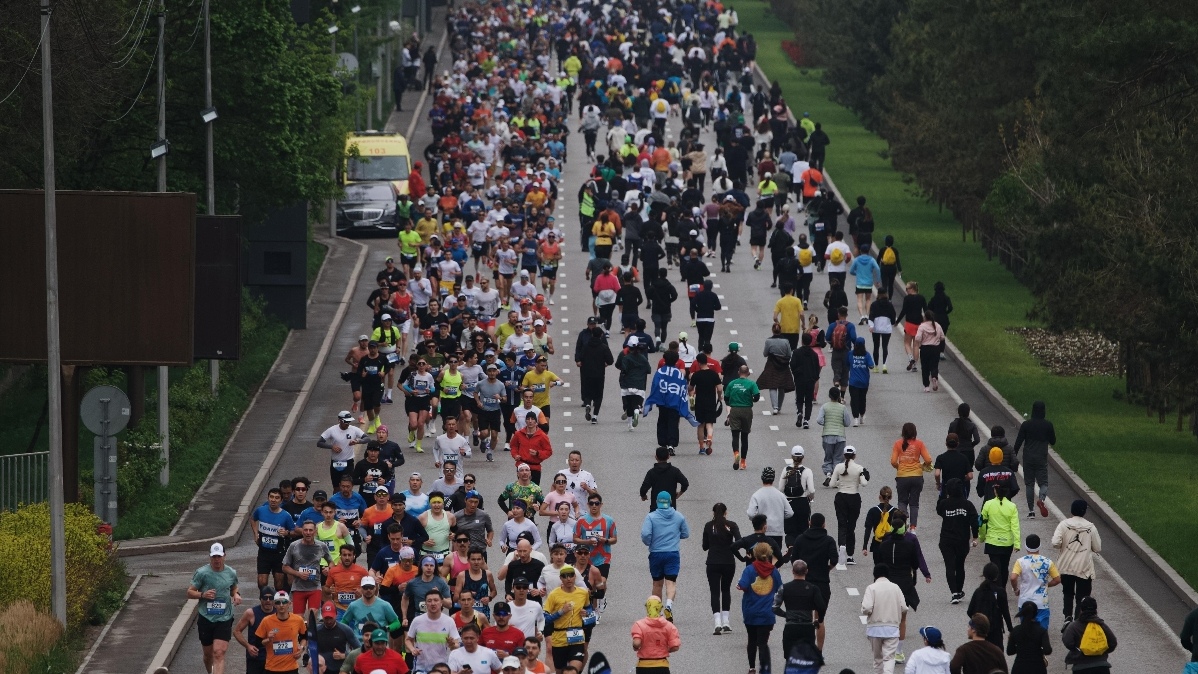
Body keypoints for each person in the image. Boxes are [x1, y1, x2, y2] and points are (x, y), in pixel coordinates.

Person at [189, 543, 242, 674]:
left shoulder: (231, 572)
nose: (217, 560)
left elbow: (234, 587)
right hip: (206, 617)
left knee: (219, 653)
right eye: (214, 557)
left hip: (224, 617)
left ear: (225, 556)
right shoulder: (202, 573)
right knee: (208, 655)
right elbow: (190, 592)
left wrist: (236, 594)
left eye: (219, 556)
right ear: (210, 557)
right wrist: (202, 594)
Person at [788, 513, 838, 651]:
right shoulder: (828, 540)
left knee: (805, 619)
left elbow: (794, 560)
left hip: (804, 584)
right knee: (820, 619)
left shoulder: (800, 539)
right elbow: (834, 559)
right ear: (824, 524)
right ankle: (819, 651)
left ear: (809, 523)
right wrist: (827, 568)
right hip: (822, 583)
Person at [640, 491, 691, 620]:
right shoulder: (679, 516)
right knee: (671, 582)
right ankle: (669, 605)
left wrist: (650, 542)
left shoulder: (651, 517)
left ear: (657, 502)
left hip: (656, 553)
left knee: (657, 584)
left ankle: (656, 611)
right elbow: (686, 533)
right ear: (670, 502)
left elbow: (646, 535)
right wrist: (673, 536)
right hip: (672, 553)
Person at [1051, 499, 1101, 628]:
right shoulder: (1091, 527)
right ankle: (1078, 619)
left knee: (1067, 593)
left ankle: (1067, 617)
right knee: (1082, 596)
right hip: (1084, 568)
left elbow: (1055, 543)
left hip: (1066, 566)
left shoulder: (1063, 525)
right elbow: (1097, 548)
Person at [737, 542, 782, 674]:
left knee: (751, 639)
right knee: (763, 642)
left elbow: (742, 586)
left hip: (750, 610)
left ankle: (752, 668)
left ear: (754, 555)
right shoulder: (773, 571)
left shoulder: (749, 570)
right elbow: (780, 588)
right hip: (767, 612)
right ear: (769, 555)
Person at [935, 479, 979, 605]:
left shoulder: (944, 504)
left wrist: (942, 494)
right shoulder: (968, 505)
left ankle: (954, 593)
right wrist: (975, 536)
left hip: (946, 540)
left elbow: (938, 509)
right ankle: (959, 591)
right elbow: (974, 521)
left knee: (949, 565)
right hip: (962, 540)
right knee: (960, 565)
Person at [861, 562, 910, 674]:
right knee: (889, 658)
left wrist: (865, 611)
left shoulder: (871, 588)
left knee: (877, 659)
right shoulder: (895, 588)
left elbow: (867, 607)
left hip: (874, 629)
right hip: (892, 628)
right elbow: (904, 607)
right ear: (888, 575)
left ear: (875, 575)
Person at [543, 565, 592, 674]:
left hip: (577, 636)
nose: (568, 579)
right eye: (565, 576)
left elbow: (589, 608)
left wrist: (586, 612)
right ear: (561, 578)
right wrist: (561, 612)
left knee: (574, 671)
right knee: (560, 671)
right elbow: (545, 619)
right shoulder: (554, 595)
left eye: (570, 576)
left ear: (575, 577)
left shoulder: (583, 593)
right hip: (559, 639)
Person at [703, 503, 742, 635]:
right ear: (726, 512)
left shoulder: (709, 526)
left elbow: (704, 546)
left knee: (714, 592)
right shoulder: (732, 525)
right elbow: (739, 541)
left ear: (713, 512)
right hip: (728, 562)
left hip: (713, 562)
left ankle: (717, 623)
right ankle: (726, 622)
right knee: (725, 590)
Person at [774, 560, 826, 657]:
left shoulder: (784, 588)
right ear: (806, 571)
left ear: (792, 571)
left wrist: (786, 615)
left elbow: (774, 607)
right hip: (807, 627)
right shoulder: (813, 589)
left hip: (790, 626)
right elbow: (821, 607)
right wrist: (819, 620)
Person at [1013, 401, 1056, 519]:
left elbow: (1018, 442)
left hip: (1028, 457)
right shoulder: (1048, 425)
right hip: (1041, 457)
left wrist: (1013, 455)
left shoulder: (1026, 425)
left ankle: (1031, 511)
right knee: (1043, 483)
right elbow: (1053, 441)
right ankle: (1041, 499)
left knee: (1029, 483)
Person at [282, 521, 333, 618]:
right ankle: (302, 633)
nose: (308, 532)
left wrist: (328, 568)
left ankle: (310, 632)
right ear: (302, 532)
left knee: (312, 616)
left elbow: (331, 562)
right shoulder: (294, 546)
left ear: (315, 532)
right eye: (305, 530)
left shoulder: (321, 546)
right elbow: (284, 567)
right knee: (298, 619)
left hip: (315, 587)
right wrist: (298, 574)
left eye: (310, 530)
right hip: (298, 587)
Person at [1009, 534, 1061, 630]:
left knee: (1026, 631)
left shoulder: (1020, 562)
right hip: (1042, 602)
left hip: (1025, 601)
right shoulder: (1047, 562)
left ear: (1025, 546)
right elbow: (1057, 579)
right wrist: (1046, 584)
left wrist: (1016, 589)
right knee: (1042, 632)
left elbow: (1013, 578)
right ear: (1039, 545)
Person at [830, 446, 868, 565]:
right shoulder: (858, 468)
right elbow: (864, 483)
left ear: (844, 455)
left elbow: (831, 484)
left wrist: (840, 482)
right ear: (854, 455)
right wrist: (863, 474)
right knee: (851, 527)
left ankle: (842, 546)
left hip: (841, 497)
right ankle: (850, 556)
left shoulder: (838, 467)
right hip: (854, 497)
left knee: (842, 525)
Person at [405, 588, 460, 671]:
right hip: (421, 667)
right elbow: (408, 639)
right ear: (425, 603)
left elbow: (456, 645)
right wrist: (412, 649)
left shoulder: (449, 621)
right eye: (429, 601)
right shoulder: (417, 620)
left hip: (441, 668)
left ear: (441, 603)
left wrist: (452, 644)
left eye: (436, 600)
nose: (433, 603)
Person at [890, 422, 932, 529]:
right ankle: (913, 528)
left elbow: (893, 461)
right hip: (916, 477)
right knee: (914, 503)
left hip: (902, 476)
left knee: (902, 501)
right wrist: (922, 466)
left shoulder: (897, 444)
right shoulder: (919, 444)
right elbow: (928, 460)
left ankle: (902, 524)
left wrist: (899, 468)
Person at [254, 591, 308, 674]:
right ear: (274, 605)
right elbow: (258, 642)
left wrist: (301, 648)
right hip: (272, 668)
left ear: (289, 603)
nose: (281, 605)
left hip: (291, 668)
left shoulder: (298, 620)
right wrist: (268, 639)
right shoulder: (266, 621)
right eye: (278, 602)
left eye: (284, 602)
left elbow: (304, 637)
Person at [252, 488, 295, 591]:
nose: (273, 500)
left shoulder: (286, 516)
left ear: (281, 500)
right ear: (268, 498)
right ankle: (264, 602)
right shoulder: (261, 510)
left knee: (279, 584)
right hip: (263, 552)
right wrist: (256, 533)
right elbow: (253, 519)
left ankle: (277, 605)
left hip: (279, 554)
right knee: (262, 582)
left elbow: (293, 532)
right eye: (271, 497)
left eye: (277, 498)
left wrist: (287, 533)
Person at [1061, 597, 1116, 673]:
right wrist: (1101, 651)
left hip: (1081, 668)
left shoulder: (1073, 626)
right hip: (1102, 667)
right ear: (1095, 610)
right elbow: (1113, 643)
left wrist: (1078, 651)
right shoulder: (1101, 625)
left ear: (1081, 610)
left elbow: (1068, 642)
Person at [966, 563, 1013, 651]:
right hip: (995, 630)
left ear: (984, 574)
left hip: (980, 630)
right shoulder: (1000, 591)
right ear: (997, 575)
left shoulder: (978, 591)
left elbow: (970, 611)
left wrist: (978, 621)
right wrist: (1010, 629)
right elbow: (1005, 612)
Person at [631, 595, 682, 674]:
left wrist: (635, 647)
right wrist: (665, 650)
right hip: (662, 666)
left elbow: (637, 643)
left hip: (643, 666)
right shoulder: (669, 626)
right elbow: (675, 647)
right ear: (660, 608)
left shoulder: (639, 625)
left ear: (647, 607)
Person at [725, 364, 762, 471]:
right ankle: (743, 462)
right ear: (748, 373)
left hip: (735, 410)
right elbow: (757, 396)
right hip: (747, 411)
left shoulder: (732, 384)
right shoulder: (751, 383)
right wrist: (751, 400)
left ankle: (736, 453)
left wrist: (732, 403)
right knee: (745, 437)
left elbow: (726, 398)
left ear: (738, 372)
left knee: (735, 435)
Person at [979, 485, 1021, 572]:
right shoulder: (1012, 506)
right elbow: (1015, 526)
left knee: (995, 567)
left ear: (995, 491)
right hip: (1007, 542)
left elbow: (982, 523)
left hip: (992, 541)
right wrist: (1017, 543)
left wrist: (982, 537)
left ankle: (996, 584)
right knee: (1004, 567)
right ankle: (1003, 585)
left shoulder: (988, 504)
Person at [233, 587, 274, 674]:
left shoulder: (279, 613)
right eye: (265, 598)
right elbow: (236, 631)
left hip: (274, 657)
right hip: (256, 656)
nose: (268, 600)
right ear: (260, 599)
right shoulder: (251, 613)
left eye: (271, 598)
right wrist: (248, 646)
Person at [816, 388, 851, 486]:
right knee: (838, 458)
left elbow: (819, 420)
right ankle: (836, 478)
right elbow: (847, 423)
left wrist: (826, 423)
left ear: (829, 395)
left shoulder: (825, 406)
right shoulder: (843, 408)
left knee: (828, 457)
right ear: (839, 396)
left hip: (827, 435)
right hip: (840, 436)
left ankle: (828, 474)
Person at [617, 336, 653, 431]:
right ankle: (637, 411)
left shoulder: (626, 358)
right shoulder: (643, 358)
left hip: (627, 384)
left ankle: (630, 425)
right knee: (637, 403)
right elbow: (649, 370)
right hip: (640, 384)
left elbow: (623, 369)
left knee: (628, 405)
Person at [758, 324, 795, 415]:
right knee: (782, 386)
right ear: (781, 330)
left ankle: (774, 407)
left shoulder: (768, 341)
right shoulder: (786, 341)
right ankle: (779, 406)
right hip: (783, 366)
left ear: (772, 330)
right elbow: (789, 354)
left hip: (772, 364)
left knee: (772, 385)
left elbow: (765, 354)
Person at [782, 446, 816, 545]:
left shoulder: (786, 470)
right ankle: (801, 550)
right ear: (803, 457)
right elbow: (811, 490)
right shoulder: (807, 471)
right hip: (802, 502)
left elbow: (780, 488)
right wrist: (810, 498)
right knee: (803, 529)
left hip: (789, 503)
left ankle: (790, 547)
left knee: (790, 530)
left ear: (791, 456)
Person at [316, 601, 361, 674]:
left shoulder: (345, 630)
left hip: (340, 669)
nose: (328, 621)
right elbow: (310, 650)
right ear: (322, 616)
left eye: (331, 618)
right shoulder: (317, 631)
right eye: (326, 618)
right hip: (322, 669)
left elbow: (359, 649)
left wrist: (344, 655)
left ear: (336, 615)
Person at [1007, 601, 1052, 674]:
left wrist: (1020, 648)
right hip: (1037, 666)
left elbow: (1010, 651)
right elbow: (1047, 650)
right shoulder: (1041, 631)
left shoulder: (1016, 630)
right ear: (1036, 613)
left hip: (1019, 667)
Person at [640, 446, 690, 511]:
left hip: (655, 508)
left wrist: (643, 496)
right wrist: (680, 493)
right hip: (671, 507)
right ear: (668, 456)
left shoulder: (651, 472)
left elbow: (644, 488)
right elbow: (685, 483)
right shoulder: (675, 471)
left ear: (656, 457)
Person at [895, 281, 927, 373]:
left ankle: (911, 358)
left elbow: (904, 310)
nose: (906, 290)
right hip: (919, 323)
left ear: (912, 289)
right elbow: (926, 310)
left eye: (907, 289)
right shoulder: (921, 298)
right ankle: (915, 365)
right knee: (916, 345)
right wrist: (926, 321)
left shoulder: (907, 298)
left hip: (909, 323)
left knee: (907, 343)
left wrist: (897, 321)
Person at [934, 434, 974, 500]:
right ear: (958, 444)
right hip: (960, 487)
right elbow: (970, 476)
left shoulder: (941, 458)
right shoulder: (964, 458)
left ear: (946, 444)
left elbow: (937, 474)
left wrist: (938, 484)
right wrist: (963, 479)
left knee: (942, 506)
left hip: (946, 487)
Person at [914, 310, 945, 392]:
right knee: (934, 365)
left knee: (925, 367)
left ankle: (926, 386)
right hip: (935, 348)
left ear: (925, 317)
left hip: (925, 348)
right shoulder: (937, 325)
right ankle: (934, 376)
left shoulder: (922, 326)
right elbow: (942, 337)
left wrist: (920, 342)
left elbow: (917, 338)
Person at [846, 336, 875, 426]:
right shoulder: (867, 355)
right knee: (862, 400)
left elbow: (846, 364)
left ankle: (855, 418)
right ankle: (862, 415)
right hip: (864, 382)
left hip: (853, 382)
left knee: (854, 400)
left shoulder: (850, 354)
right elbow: (871, 366)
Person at [849, 244, 881, 323]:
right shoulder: (871, 260)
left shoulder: (857, 260)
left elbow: (851, 271)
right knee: (868, 299)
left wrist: (857, 273)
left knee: (859, 299)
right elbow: (877, 269)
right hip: (868, 283)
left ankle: (861, 316)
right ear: (868, 251)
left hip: (859, 283)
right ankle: (867, 315)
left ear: (860, 251)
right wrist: (877, 280)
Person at [868, 292, 896, 373]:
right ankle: (884, 365)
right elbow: (893, 314)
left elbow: (871, 316)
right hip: (886, 328)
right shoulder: (889, 304)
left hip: (876, 328)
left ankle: (876, 366)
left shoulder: (874, 304)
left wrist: (871, 326)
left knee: (876, 346)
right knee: (885, 346)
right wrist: (892, 322)